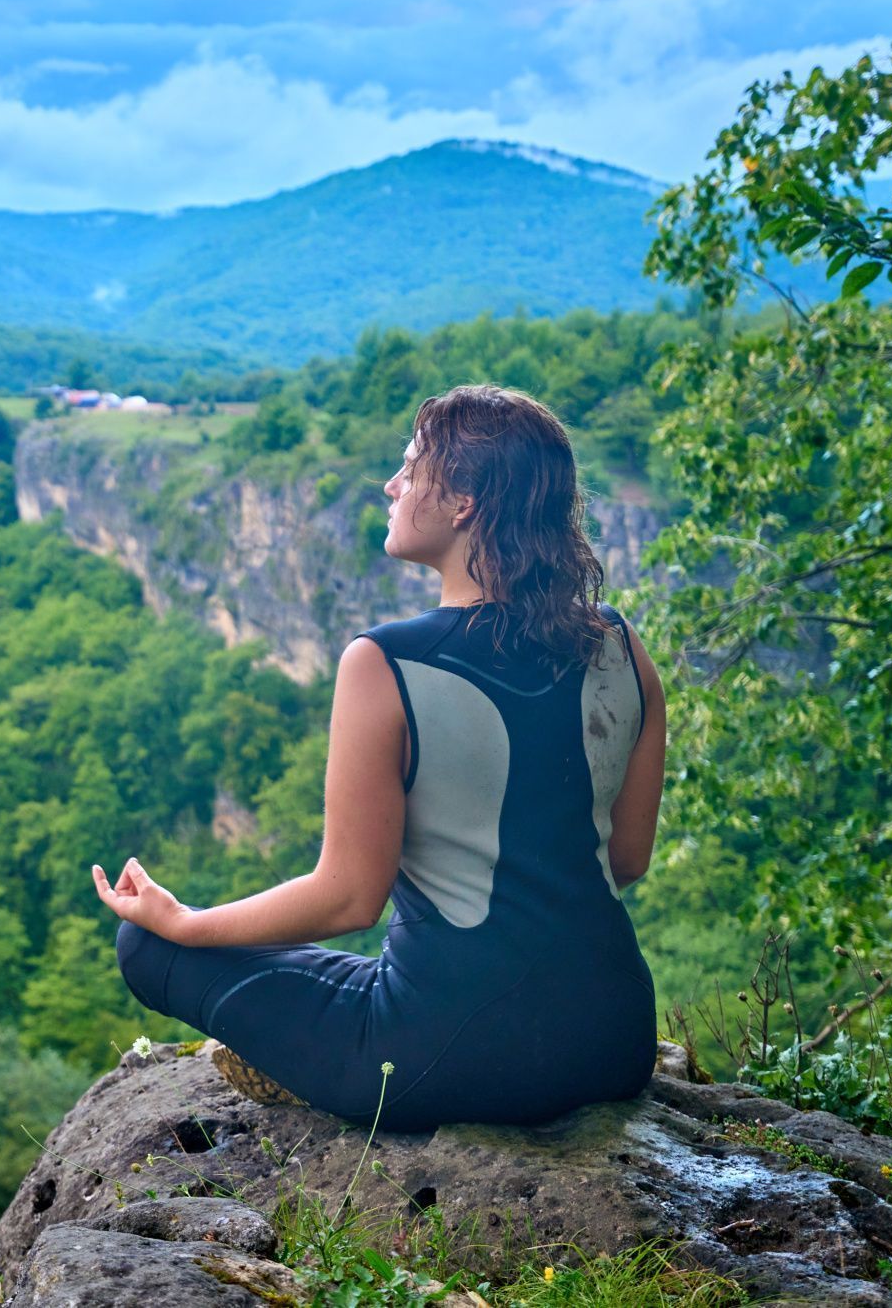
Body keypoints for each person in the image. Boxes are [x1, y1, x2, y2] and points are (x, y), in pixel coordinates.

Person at [94, 383, 665, 1131]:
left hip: (446, 1055)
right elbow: (625, 859)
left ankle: (303, 1057)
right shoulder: (621, 646)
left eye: (409, 465)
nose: (391, 485)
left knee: (145, 944)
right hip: (613, 1040)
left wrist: (187, 921)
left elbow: (348, 898)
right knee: (389, 973)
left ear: (463, 500)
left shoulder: (385, 662)